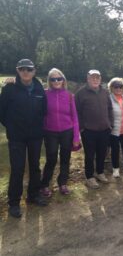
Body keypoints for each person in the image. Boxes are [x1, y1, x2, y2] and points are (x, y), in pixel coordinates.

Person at [0, 59, 48, 218]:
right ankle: (14, 203)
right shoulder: (9, 88)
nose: (25, 72)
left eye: (29, 69)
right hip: (16, 137)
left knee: (35, 166)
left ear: (34, 71)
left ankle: (33, 195)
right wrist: (13, 127)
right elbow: (2, 112)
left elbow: (44, 110)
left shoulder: (39, 87)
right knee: (17, 168)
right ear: (17, 70)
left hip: (35, 135)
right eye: (22, 69)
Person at [40, 68, 80, 197]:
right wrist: (12, 82)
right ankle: (45, 184)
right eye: (53, 79)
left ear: (63, 80)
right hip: (50, 132)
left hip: (66, 132)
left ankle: (63, 183)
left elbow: (75, 118)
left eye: (59, 78)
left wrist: (76, 136)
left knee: (65, 158)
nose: (56, 81)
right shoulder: (44, 94)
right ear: (49, 81)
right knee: (51, 158)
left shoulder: (69, 96)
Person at [75, 70, 114, 189]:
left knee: (102, 153)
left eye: (97, 77)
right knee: (90, 155)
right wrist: (82, 128)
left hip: (104, 129)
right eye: (93, 77)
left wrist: (110, 124)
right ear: (88, 78)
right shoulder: (80, 93)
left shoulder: (105, 92)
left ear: (100, 79)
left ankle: (100, 172)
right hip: (88, 131)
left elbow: (110, 109)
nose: (95, 80)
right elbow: (76, 112)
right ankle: (89, 177)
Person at [108, 77, 123, 178]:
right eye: (116, 86)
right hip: (114, 130)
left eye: (120, 86)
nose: (118, 88)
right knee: (115, 150)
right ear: (112, 88)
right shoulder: (109, 99)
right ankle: (116, 169)